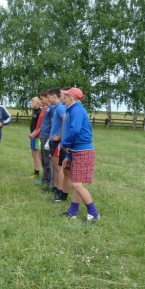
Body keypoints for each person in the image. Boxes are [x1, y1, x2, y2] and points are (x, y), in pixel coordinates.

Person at [60, 88, 100, 221]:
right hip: (77, 151)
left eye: (65, 96)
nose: (63, 99)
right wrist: (69, 155)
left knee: (76, 185)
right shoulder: (73, 109)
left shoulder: (76, 110)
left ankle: (94, 214)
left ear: (71, 97)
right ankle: (72, 212)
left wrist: (65, 145)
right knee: (77, 184)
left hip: (83, 152)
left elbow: (74, 131)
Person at [47, 88, 66, 196]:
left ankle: (60, 190)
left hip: (57, 142)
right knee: (55, 166)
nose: (48, 99)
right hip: (52, 140)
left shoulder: (60, 108)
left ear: (54, 96)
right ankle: (55, 187)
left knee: (59, 167)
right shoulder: (57, 108)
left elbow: (65, 119)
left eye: (49, 97)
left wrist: (59, 136)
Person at [37, 90, 54, 190]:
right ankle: (46, 179)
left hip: (47, 136)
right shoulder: (47, 108)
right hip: (43, 135)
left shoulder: (52, 108)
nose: (42, 101)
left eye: (42, 99)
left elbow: (54, 123)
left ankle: (50, 183)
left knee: (48, 160)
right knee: (44, 159)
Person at [28, 96, 43, 177]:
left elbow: (40, 126)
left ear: (38, 103)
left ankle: (40, 172)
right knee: (34, 153)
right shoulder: (35, 111)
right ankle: (36, 170)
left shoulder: (40, 112)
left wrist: (33, 133)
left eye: (33, 102)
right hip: (34, 136)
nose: (32, 103)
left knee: (38, 154)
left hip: (37, 136)